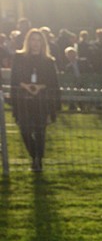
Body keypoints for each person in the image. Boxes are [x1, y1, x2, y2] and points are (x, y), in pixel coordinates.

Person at [10, 28, 60, 173]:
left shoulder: (48, 61)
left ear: (42, 43)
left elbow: (53, 82)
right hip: (23, 101)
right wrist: (25, 85)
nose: (35, 43)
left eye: (38, 40)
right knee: (25, 130)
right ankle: (34, 155)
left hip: (41, 102)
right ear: (28, 41)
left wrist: (40, 87)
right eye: (33, 40)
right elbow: (15, 78)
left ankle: (37, 160)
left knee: (40, 132)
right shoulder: (19, 57)